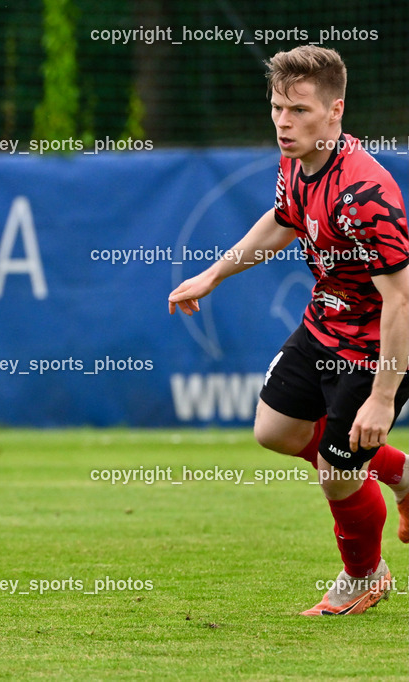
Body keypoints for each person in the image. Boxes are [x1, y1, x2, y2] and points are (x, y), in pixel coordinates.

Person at [168, 45, 409, 616]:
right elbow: (283, 221)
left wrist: (382, 396)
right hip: (324, 323)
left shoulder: (367, 195)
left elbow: (402, 297)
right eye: (277, 107)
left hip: (376, 347)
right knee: (273, 429)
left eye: (298, 109)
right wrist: (213, 275)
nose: (282, 121)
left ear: (335, 111)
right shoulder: (297, 162)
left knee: (337, 477)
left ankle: (365, 577)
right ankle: (399, 473)